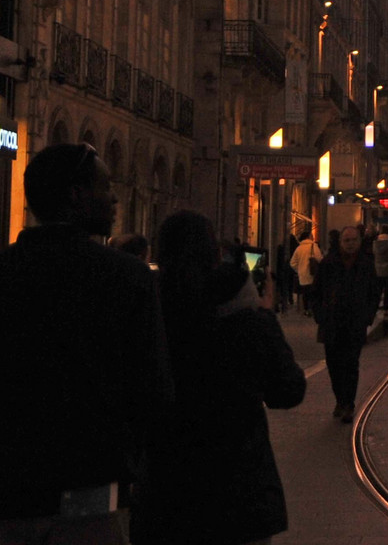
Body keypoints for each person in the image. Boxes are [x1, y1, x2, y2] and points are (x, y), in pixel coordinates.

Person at [0, 142, 169, 543]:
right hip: (90, 496)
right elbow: (153, 394)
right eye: (105, 187)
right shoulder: (126, 279)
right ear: (76, 195)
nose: (116, 197)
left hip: (1, 499)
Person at [130, 211, 305, 545]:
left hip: (165, 490)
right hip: (238, 491)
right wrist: (265, 316)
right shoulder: (242, 316)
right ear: (215, 252)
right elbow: (288, 390)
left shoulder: (148, 312)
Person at [313, 226, 377, 423]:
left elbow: (374, 293)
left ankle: (348, 403)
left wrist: (368, 317)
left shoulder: (366, 264)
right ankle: (340, 399)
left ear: (359, 242)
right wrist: (320, 316)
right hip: (331, 322)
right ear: (340, 242)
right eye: (346, 240)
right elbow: (316, 292)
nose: (350, 244)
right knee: (333, 364)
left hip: (355, 323)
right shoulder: (328, 264)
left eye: (353, 240)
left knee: (350, 364)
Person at [290, 229, 321, 317]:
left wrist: (299, 269)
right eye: (312, 236)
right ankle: (312, 309)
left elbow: (292, 263)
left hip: (302, 275)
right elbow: (319, 259)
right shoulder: (313, 246)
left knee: (305, 294)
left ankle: (306, 310)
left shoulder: (299, 248)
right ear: (308, 237)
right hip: (312, 274)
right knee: (313, 293)